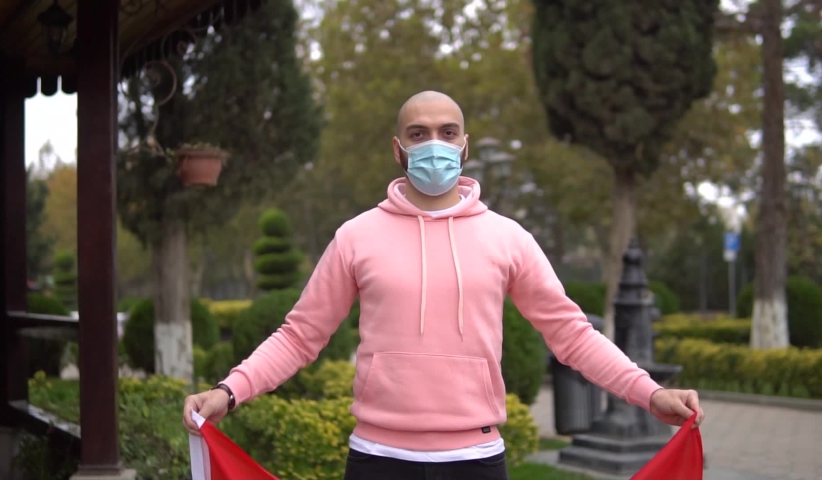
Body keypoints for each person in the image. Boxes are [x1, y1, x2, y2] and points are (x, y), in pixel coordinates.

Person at [182, 90, 705, 480]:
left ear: (465, 145)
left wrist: (649, 393)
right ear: (398, 148)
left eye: (447, 132)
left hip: (475, 461)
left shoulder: (509, 239)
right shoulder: (355, 237)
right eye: (419, 133)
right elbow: (300, 336)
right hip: (377, 460)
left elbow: (571, 334)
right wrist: (231, 391)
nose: (435, 144)